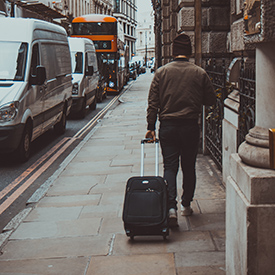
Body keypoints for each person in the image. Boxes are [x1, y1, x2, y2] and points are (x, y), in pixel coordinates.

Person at [145, 33, 216, 227]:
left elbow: (153, 103)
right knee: (188, 166)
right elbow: (210, 100)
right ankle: (186, 204)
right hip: (190, 126)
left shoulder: (161, 72)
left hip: (167, 127)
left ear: (173, 51)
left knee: (170, 167)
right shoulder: (199, 72)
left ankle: (170, 208)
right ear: (189, 52)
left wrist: (150, 127)